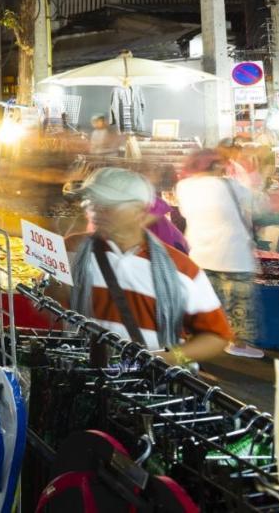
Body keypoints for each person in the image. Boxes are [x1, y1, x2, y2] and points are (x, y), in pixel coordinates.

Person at [50, 167, 230, 364]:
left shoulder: (181, 268)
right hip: (83, 375)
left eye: (108, 204)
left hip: (149, 385)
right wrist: (54, 289)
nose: (94, 211)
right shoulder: (71, 249)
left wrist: (169, 358)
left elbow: (216, 336)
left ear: (139, 210)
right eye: (91, 202)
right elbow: (53, 309)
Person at [175, 149, 264, 358]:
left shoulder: (183, 187)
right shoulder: (230, 185)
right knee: (239, 302)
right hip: (234, 255)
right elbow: (256, 203)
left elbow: (184, 213)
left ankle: (201, 339)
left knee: (206, 301)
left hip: (201, 253)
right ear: (215, 166)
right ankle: (238, 345)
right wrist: (248, 175)